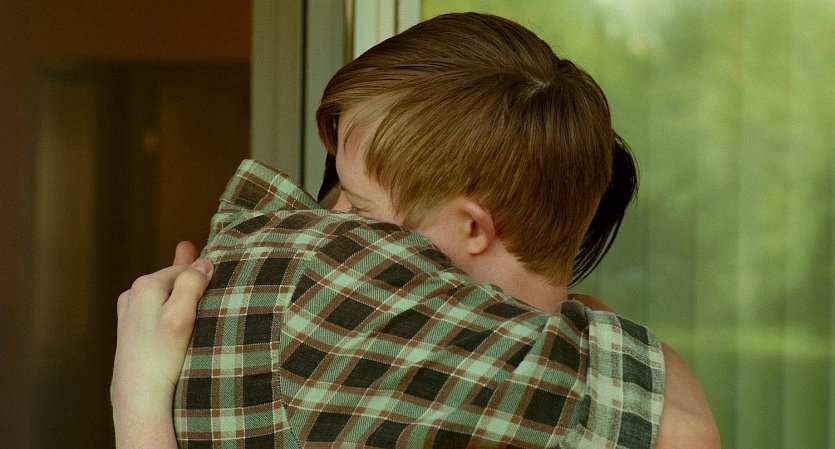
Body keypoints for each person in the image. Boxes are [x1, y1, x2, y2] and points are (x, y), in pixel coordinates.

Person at [112, 12, 719, 449]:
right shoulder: (596, 383)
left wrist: (136, 406)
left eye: (359, 208)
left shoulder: (334, 304)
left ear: (473, 226)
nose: (326, 222)